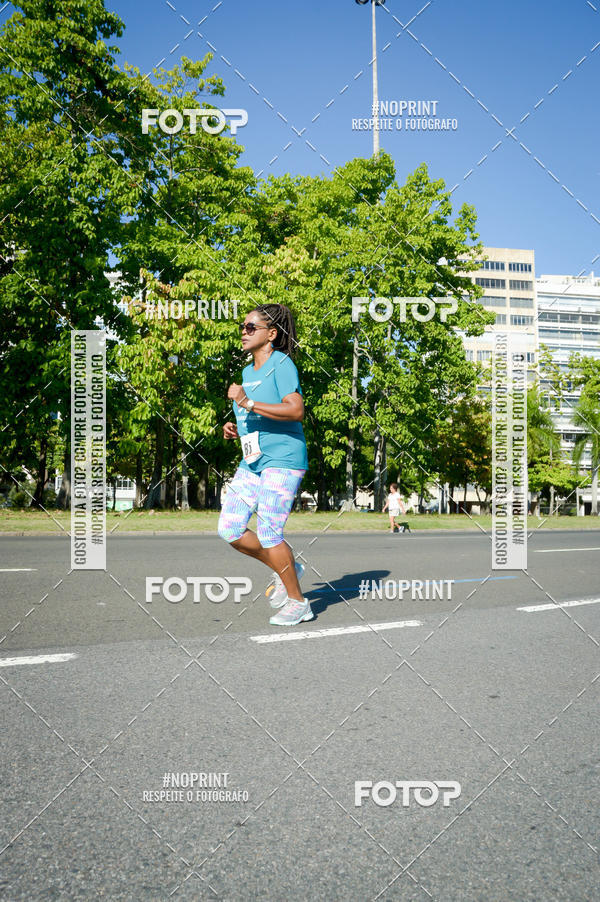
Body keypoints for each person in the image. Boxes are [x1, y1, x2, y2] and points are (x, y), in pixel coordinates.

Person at [218, 303, 313, 626]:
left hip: (284, 460)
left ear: (271, 334)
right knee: (229, 527)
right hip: (253, 461)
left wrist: (248, 402)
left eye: (250, 327)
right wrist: (234, 426)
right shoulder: (248, 373)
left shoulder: (281, 363)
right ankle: (284, 566)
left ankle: (298, 603)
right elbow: (253, 416)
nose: (243, 332)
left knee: (270, 531)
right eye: (242, 327)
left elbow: (295, 409)